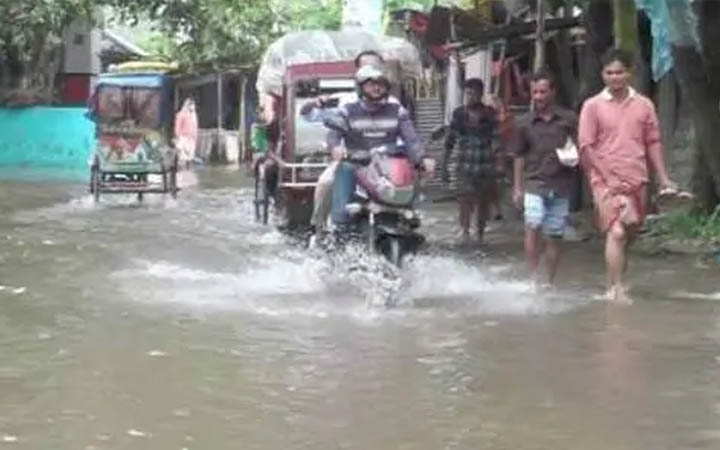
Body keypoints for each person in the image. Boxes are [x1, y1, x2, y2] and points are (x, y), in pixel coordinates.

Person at [578, 48, 678, 303]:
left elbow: (653, 142)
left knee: (630, 230)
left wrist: (664, 177)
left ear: (630, 73)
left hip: (637, 177)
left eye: (619, 72)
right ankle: (617, 289)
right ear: (602, 74)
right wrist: (607, 177)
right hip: (605, 179)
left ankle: (614, 281)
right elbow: (587, 146)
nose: (614, 77)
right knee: (618, 232)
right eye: (609, 72)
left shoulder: (644, 105)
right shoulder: (592, 106)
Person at [327, 64, 435, 229]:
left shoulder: (397, 110)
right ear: (361, 87)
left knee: (413, 194)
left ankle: (410, 224)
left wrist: (423, 157)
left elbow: (411, 139)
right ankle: (338, 230)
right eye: (371, 84)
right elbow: (333, 135)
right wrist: (335, 147)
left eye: (381, 84)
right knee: (342, 193)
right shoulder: (347, 111)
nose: (377, 88)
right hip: (356, 164)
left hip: (387, 166)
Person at [310, 50, 403, 230]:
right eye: (366, 66)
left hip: (384, 164)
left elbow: (407, 135)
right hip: (350, 160)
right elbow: (321, 121)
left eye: (375, 66)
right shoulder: (344, 99)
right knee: (325, 183)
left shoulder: (394, 104)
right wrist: (335, 147)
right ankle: (319, 228)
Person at [511, 71, 578, 286]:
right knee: (533, 222)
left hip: (561, 183)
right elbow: (519, 156)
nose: (538, 96)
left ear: (553, 92)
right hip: (534, 182)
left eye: (542, 91)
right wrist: (517, 187)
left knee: (555, 234)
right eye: (534, 92)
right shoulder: (524, 123)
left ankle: (549, 281)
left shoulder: (569, 120)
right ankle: (533, 278)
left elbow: (582, 147)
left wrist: (573, 154)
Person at [442, 78, 504, 244]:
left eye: (474, 93)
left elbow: (497, 140)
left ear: (480, 94)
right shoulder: (459, 114)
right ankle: (465, 231)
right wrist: (444, 166)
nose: (470, 97)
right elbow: (450, 140)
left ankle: (481, 233)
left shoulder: (490, 114)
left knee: (483, 201)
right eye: (467, 93)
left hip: (484, 164)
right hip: (464, 164)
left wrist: (499, 163)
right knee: (464, 199)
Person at [174, 98, 198, 169]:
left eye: (193, 105)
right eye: (191, 105)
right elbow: (177, 127)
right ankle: (180, 171)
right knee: (182, 156)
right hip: (183, 138)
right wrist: (178, 137)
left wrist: (195, 138)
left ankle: (188, 171)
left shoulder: (194, 115)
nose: (192, 107)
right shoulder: (181, 114)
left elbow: (195, 127)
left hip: (191, 139)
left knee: (190, 157)